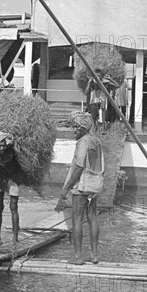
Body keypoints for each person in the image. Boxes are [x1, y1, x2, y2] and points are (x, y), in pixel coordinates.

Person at [55, 111, 104, 265]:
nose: (74, 130)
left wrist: (66, 188)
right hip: (95, 185)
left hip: (82, 185)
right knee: (92, 218)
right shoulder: (96, 141)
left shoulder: (82, 142)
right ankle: (94, 256)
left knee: (77, 219)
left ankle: (78, 257)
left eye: (77, 127)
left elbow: (78, 166)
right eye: (74, 127)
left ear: (84, 128)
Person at [0, 132, 32, 245]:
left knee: (13, 206)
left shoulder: (13, 152)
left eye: (4, 145)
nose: (2, 148)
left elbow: (28, 168)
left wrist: (18, 153)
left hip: (13, 179)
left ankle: (15, 237)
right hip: (0, 179)